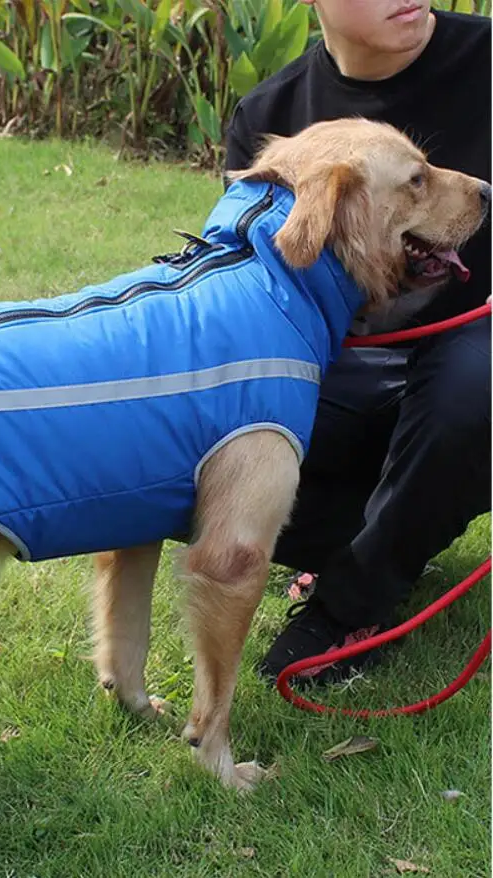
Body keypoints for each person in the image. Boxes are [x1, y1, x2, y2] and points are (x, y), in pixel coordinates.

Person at [223, 0, 491, 684]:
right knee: (228, 429)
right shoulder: (268, 117)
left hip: (473, 355)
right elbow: (247, 290)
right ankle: (390, 528)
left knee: (473, 388)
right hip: (339, 366)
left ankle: (347, 610)